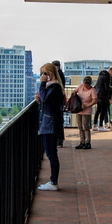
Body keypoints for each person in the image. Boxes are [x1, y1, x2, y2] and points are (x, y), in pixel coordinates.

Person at [35, 63, 65, 191]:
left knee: (51, 153)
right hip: (48, 123)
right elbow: (46, 101)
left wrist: (42, 85)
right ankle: (53, 181)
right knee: (51, 153)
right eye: (41, 73)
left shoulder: (55, 86)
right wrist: (39, 100)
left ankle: (53, 182)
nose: (42, 76)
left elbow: (46, 98)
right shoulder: (54, 86)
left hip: (49, 124)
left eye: (45, 73)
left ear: (50, 73)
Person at [71, 75, 97, 148]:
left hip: (87, 110)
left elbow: (94, 100)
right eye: (85, 85)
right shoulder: (80, 86)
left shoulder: (92, 90)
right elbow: (74, 91)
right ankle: (82, 142)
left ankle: (87, 142)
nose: (86, 86)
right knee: (80, 126)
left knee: (85, 126)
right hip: (79, 109)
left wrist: (87, 105)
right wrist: (74, 93)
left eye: (88, 85)